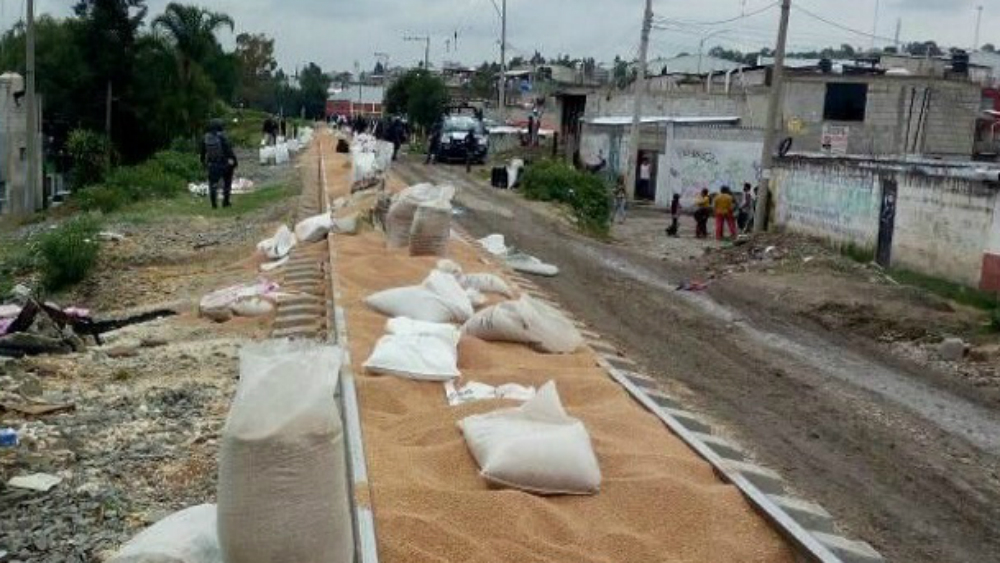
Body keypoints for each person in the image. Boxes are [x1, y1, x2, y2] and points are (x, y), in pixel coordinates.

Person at [200, 119, 238, 209]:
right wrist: (234, 161)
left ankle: (214, 204)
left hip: (212, 164)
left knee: (212, 184)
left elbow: (202, 152)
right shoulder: (221, 137)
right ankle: (226, 202)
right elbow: (229, 151)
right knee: (227, 182)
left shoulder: (205, 137)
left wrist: (203, 163)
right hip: (223, 163)